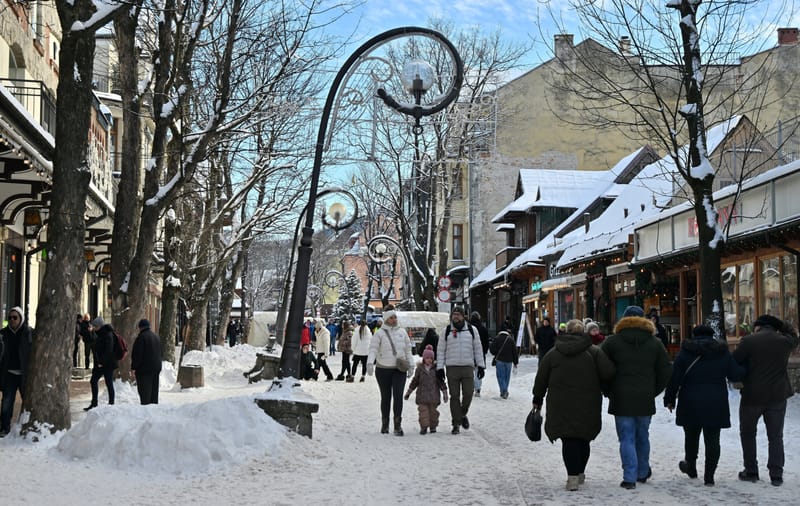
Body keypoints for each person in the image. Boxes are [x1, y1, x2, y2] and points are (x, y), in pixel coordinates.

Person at [532, 319, 615, 491]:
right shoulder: (594, 352)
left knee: (568, 438)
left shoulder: (553, 353)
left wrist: (537, 399)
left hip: (560, 403)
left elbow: (541, 379)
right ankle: (580, 472)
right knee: (583, 437)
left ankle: (572, 477)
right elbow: (608, 373)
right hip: (588, 402)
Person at [663, 325, 746, 486]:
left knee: (691, 436)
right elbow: (735, 375)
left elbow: (675, 378)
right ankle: (710, 475)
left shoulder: (685, 352)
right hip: (716, 400)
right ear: (712, 335)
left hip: (690, 399)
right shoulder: (722, 353)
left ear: (694, 335)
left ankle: (691, 466)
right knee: (713, 438)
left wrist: (670, 398)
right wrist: (747, 365)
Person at [600, 305, 671, 489]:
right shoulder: (655, 343)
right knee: (643, 435)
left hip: (621, 397)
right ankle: (642, 471)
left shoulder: (612, 342)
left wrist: (609, 390)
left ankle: (629, 477)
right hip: (644, 397)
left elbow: (601, 367)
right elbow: (665, 371)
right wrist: (653, 390)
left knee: (626, 437)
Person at [732, 314, 799, 486]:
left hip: (752, 395)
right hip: (777, 396)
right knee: (775, 436)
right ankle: (776, 474)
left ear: (759, 326)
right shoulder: (785, 342)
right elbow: (794, 335)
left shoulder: (748, 341)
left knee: (748, 433)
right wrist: (782, 325)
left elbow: (734, 362)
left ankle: (751, 470)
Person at [436, 306, 485, 434]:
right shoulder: (446, 331)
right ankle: (456, 423)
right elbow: (440, 351)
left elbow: (478, 349)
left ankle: (462, 414)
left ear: (463, 316)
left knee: (469, 393)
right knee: (455, 396)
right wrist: (440, 368)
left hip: (468, 366)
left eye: (458, 314)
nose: (455, 316)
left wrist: (481, 365)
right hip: (452, 367)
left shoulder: (472, 330)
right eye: (454, 314)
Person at [367, 305, 414, 435]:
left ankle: (398, 425)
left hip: (399, 369)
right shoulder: (379, 333)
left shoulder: (402, 332)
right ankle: (385, 424)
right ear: (386, 319)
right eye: (391, 317)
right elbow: (373, 349)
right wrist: (370, 362)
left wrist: (411, 365)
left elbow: (408, 349)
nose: (394, 319)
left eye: (395, 317)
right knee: (386, 397)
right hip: (383, 369)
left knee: (398, 397)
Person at [0, 306, 30, 436]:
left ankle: (27, 427)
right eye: (10, 318)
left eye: (15, 317)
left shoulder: (28, 333)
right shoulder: (3, 334)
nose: (12, 320)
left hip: (25, 374)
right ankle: (4, 427)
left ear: (21, 318)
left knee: (28, 401)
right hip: (9, 374)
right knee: (7, 402)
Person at [404, 345, 448, 434]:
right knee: (423, 413)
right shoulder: (420, 369)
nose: (429, 360)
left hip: (433, 397)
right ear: (424, 358)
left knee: (433, 414)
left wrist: (445, 393)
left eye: (430, 358)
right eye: (427, 358)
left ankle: (433, 426)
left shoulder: (436, 370)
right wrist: (409, 392)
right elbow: (415, 381)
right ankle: (424, 427)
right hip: (422, 397)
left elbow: (441, 382)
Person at [84, 316, 118, 411]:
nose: (94, 328)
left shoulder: (108, 334)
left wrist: (102, 362)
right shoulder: (99, 333)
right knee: (93, 381)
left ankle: (111, 404)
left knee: (109, 383)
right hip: (99, 363)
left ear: (99, 326)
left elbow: (109, 350)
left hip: (107, 364)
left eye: (95, 326)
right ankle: (94, 403)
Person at [131, 319, 163, 405]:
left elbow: (137, 355)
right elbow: (161, 352)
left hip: (144, 369)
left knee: (145, 392)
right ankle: (153, 407)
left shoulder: (141, 338)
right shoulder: (156, 337)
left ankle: (146, 408)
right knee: (154, 391)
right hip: (156, 367)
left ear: (140, 328)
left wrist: (134, 368)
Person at [489, 330, 518, 399]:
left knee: (500, 376)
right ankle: (504, 390)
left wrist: (496, 353)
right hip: (509, 361)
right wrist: (515, 362)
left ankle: (503, 391)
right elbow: (514, 351)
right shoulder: (511, 340)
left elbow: (491, 349)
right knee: (506, 377)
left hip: (500, 360)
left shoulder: (496, 338)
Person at [470, 311, 490, 397]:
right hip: (480, 353)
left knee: (469, 372)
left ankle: (470, 387)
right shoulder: (483, 329)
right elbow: (486, 342)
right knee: (479, 371)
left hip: (469, 353)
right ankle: (477, 389)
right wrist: (484, 351)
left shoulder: (468, 328)